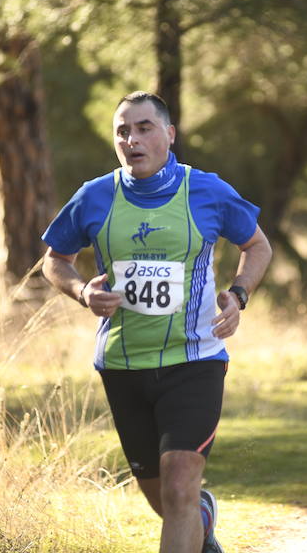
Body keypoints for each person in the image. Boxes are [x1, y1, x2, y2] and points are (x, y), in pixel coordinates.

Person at [41, 91, 272, 553]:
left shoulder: (206, 190)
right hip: (124, 366)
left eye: (144, 128)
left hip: (195, 361)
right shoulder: (95, 196)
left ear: (169, 134)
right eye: (122, 131)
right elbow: (55, 261)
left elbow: (258, 246)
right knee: (162, 499)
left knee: (179, 489)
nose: (132, 139)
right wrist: (83, 291)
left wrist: (239, 295)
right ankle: (201, 521)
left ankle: (193, 511)